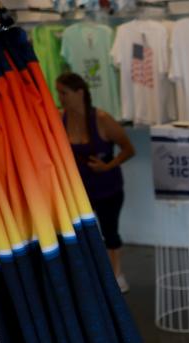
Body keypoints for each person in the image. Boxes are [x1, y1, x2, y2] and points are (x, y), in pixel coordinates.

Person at [56, 72, 136, 293]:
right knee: (79, 234)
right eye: (58, 93)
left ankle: (117, 275)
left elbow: (129, 150)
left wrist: (107, 166)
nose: (60, 97)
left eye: (64, 93)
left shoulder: (101, 119)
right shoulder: (59, 119)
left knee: (110, 232)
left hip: (108, 188)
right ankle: (89, 276)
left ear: (79, 92)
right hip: (79, 192)